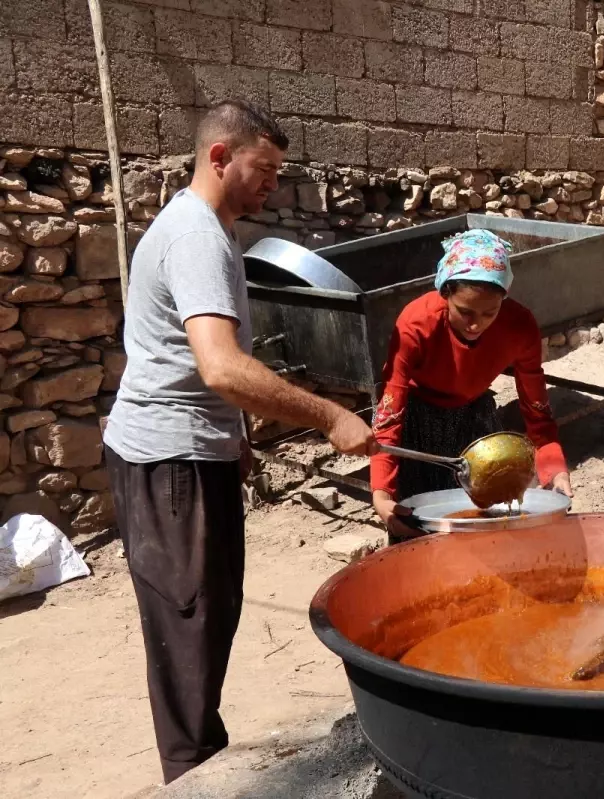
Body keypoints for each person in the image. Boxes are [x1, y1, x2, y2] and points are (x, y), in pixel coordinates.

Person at [103, 100, 377, 784]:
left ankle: (203, 763)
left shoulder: (211, 228)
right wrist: (329, 416)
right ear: (219, 156)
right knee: (189, 635)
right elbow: (221, 366)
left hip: (196, 450)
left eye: (279, 172)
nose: (273, 185)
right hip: (171, 461)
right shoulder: (195, 234)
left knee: (208, 619)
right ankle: (193, 776)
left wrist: (233, 434)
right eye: (264, 168)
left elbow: (194, 362)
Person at [370, 229, 572, 540]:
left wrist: (554, 470)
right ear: (445, 292)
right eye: (464, 312)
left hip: (473, 416)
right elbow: (390, 415)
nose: (476, 325)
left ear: (504, 299)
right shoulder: (415, 324)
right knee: (421, 533)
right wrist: (382, 493)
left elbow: (538, 414)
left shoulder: (519, 327)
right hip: (416, 422)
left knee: (492, 524)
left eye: (489, 313)